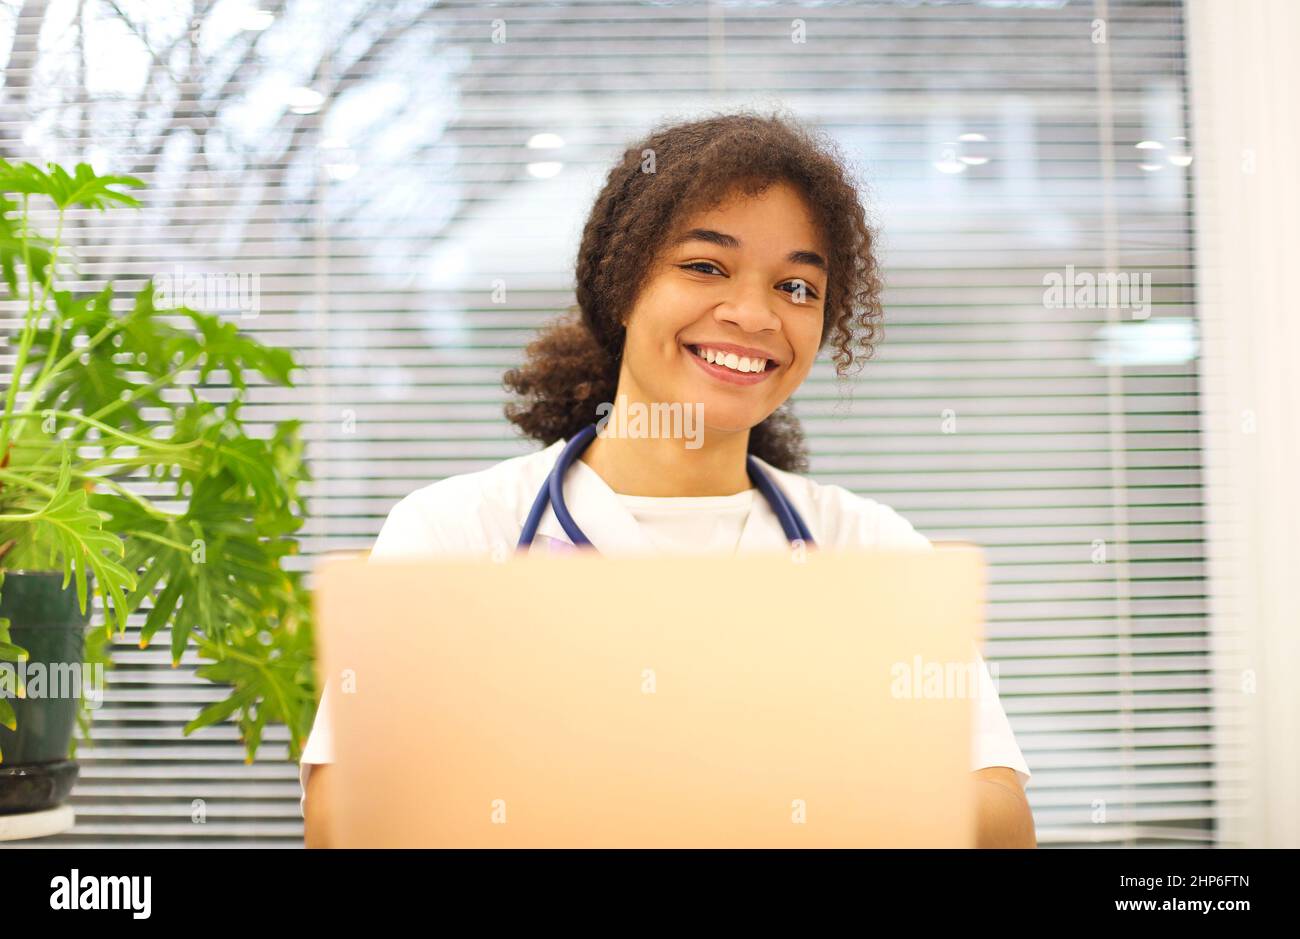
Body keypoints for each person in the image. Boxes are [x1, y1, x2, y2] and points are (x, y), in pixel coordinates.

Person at [301, 110, 1035, 848]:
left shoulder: (869, 549)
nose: (753, 314)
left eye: (797, 287)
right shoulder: (457, 531)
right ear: (623, 286)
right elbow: (343, 820)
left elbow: (999, 816)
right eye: (705, 266)